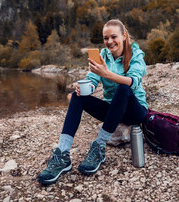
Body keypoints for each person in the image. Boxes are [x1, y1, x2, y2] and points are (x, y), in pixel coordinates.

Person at [37, 19, 148, 185]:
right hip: (112, 111)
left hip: (135, 111)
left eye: (113, 37)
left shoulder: (136, 54)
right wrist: (85, 86)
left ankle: (99, 147)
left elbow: (133, 82)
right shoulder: (102, 55)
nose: (109, 41)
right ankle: (62, 154)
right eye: (105, 38)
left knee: (123, 89)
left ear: (124, 36)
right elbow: (93, 79)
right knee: (77, 97)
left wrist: (107, 74)